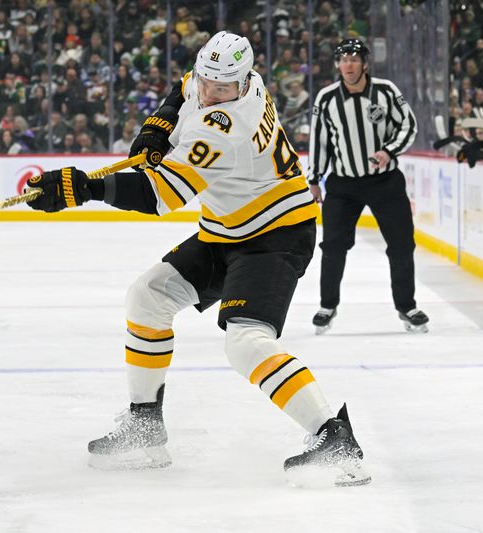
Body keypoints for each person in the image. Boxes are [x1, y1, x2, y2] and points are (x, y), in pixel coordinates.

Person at [25, 31, 370, 487]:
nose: (208, 93)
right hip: (228, 229)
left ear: (242, 85)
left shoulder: (226, 127)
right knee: (147, 296)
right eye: (207, 81)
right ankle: (146, 428)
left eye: (220, 89)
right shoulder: (231, 78)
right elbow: (183, 89)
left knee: (245, 343)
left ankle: (334, 437)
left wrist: (85, 188)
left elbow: (159, 196)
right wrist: (158, 127)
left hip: (276, 235)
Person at [307, 39, 429, 335]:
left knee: (401, 244)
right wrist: (314, 179)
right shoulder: (326, 98)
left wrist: (388, 150)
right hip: (342, 185)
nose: (348, 64)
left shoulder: (386, 91)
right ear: (338, 64)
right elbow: (319, 141)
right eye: (343, 59)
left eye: (353, 58)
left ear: (365, 63)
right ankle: (327, 304)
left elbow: (408, 125)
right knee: (333, 246)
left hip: (384, 181)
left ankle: (406, 306)